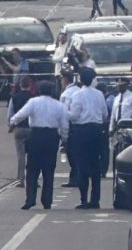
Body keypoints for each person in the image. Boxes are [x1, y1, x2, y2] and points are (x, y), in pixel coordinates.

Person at [9, 80, 69, 211]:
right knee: (49, 170)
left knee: (32, 169)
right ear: (53, 92)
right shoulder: (59, 106)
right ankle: (47, 201)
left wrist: (12, 123)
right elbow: (64, 125)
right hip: (52, 137)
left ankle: (30, 199)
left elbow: (20, 115)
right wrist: (64, 139)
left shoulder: (33, 102)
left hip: (36, 135)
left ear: (39, 91)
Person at [67, 68, 108, 209]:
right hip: (96, 130)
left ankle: (83, 199)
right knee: (95, 166)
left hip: (81, 131)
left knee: (82, 165)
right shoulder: (99, 94)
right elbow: (104, 114)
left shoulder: (77, 95)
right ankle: (95, 199)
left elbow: (74, 115)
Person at [6, 77, 33, 187]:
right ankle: (32, 178)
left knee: (21, 155)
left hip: (19, 129)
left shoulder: (14, 98)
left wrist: (11, 125)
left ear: (20, 85)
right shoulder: (33, 98)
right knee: (32, 155)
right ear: (30, 86)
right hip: (31, 129)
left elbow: (10, 114)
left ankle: (21, 179)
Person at [59, 71, 81, 189]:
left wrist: (63, 134)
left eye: (62, 79)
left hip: (71, 127)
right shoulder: (79, 91)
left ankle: (75, 177)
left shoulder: (66, 94)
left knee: (71, 154)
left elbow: (64, 114)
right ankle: (78, 176)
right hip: (81, 126)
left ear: (66, 80)